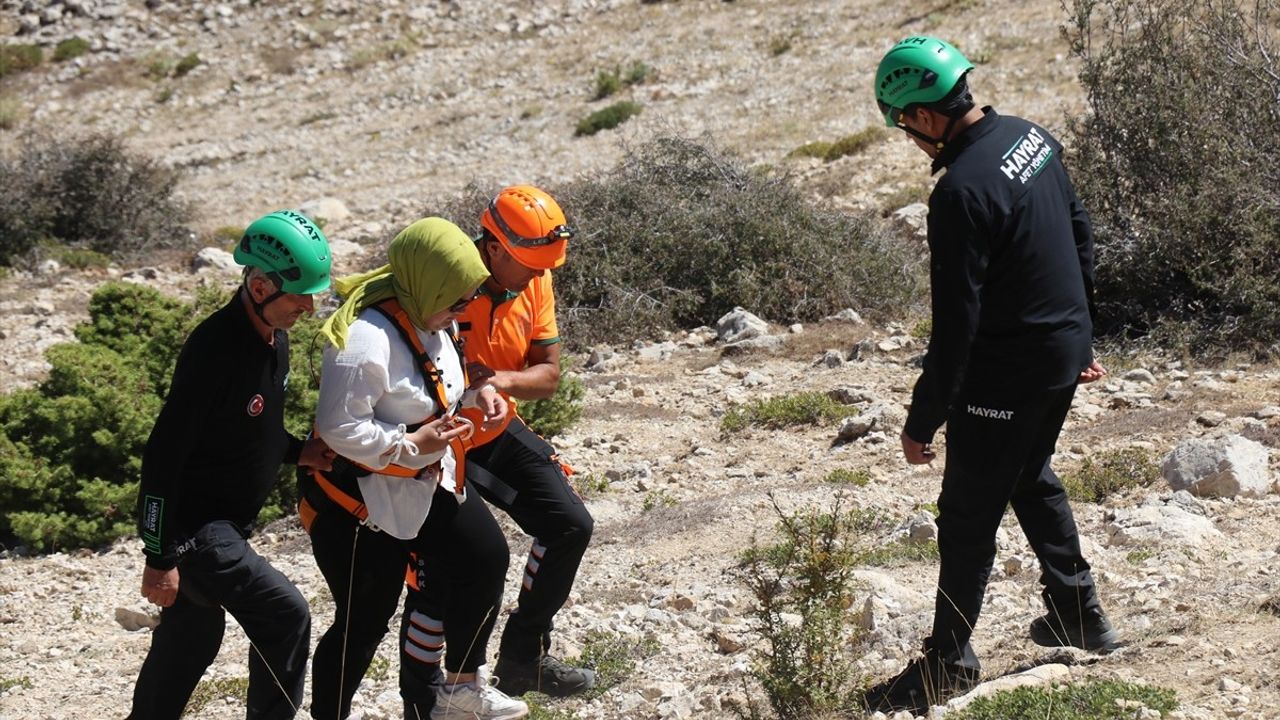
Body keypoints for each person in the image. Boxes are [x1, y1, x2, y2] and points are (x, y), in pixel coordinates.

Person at [863, 35, 1119, 713]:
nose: (908, 139)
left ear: (920, 116)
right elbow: (1079, 231)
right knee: (1028, 472)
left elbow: (956, 326)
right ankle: (1079, 616)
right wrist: (1081, 336)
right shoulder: (1030, 137)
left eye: (902, 126)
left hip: (1008, 371)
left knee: (968, 516)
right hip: (1059, 353)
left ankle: (948, 664)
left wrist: (923, 420)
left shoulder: (959, 193)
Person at [302, 217, 525, 720]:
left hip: (424, 480)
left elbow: (439, 384)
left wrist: (476, 393)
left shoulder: (429, 318)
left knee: (484, 558)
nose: (464, 310)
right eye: (459, 299)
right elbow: (339, 428)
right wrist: (408, 445)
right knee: (364, 620)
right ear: (429, 284)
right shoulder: (363, 342)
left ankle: (460, 687)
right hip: (360, 503)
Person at [128, 210, 336, 720]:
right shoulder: (214, 349)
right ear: (260, 285)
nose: (308, 308)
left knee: (193, 637)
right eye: (299, 295)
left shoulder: (274, 339)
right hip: (196, 530)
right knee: (285, 615)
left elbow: (251, 430)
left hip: (225, 528)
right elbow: (163, 455)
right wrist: (158, 556)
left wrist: (298, 451)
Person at [400, 186, 595, 716]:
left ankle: (521, 658)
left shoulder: (537, 281)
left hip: (493, 429)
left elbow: (549, 376)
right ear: (495, 249)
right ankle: (421, 703)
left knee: (569, 523)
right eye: (529, 264)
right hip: (436, 438)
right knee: (442, 573)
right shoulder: (448, 282)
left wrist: (498, 380)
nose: (539, 274)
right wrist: (466, 388)